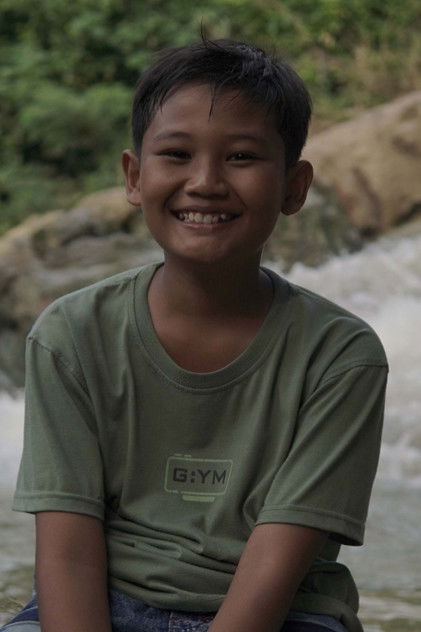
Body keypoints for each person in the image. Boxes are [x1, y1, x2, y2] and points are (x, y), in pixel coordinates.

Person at [3, 39, 388, 632]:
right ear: (135, 177)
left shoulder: (340, 357)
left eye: (242, 157)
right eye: (177, 154)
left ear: (295, 186)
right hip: (108, 596)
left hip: (283, 613)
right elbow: (68, 555)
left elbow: (273, 570)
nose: (205, 181)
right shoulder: (72, 335)